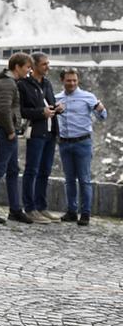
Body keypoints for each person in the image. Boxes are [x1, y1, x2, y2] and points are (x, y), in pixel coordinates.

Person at [0, 53, 34, 224]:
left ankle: (15, 210)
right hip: (5, 131)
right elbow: (3, 110)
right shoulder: (7, 84)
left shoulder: (8, 82)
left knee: (12, 170)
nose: (29, 70)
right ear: (17, 67)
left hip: (6, 130)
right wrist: (11, 131)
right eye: (27, 67)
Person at [55, 68, 107, 227]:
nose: (71, 83)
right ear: (62, 81)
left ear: (78, 81)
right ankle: (71, 211)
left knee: (84, 180)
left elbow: (102, 117)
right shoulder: (56, 98)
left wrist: (101, 109)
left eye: (74, 80)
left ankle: (85, 214)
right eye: (68, 80)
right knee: (69, 180)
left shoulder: (88, 97)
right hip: (64, 143)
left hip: (82, 143)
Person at [18, 52, 61, 223]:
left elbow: (49, 104)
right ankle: (29, 208)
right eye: (44, 64)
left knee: (45, 171)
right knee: (32, 170)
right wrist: (40, 113)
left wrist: (58, 108)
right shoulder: (23, 85)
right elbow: (21, 110)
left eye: (48, 63)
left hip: (50, 132)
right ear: (33, 66)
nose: (48, 67)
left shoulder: (48, 83)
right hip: (36, 132)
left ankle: (41, 207)